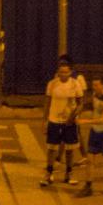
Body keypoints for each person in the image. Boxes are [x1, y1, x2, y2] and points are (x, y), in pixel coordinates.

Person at [41, 58, 85, 187]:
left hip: (69, 122)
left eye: (66, 72)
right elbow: (47, 103)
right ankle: (49, 174)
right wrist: (44, 121)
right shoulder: (52, 84)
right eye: (61, 72)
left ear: (70, 72)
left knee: (70, 149)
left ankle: (69, 174)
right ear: (58, 72)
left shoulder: (75, 84)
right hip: (54, 121)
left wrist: (74, 115)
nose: (63, 74)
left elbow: (81, 103)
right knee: (51, 149)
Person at [77, 76, 103, 196]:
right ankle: (88, 186)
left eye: (96, 85)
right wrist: (80, 114)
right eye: (93, 85)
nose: (94, 87)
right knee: (90, 159)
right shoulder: (95, 95)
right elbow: (94, 112)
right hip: (95, 131)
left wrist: (85, 122)